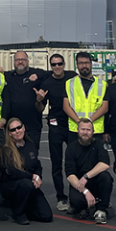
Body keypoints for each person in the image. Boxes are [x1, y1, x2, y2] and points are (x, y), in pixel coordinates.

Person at [36, 54, 77, 211]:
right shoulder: (47, 83)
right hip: (55, 124)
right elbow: (40, 109)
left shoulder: (72, 77)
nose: (57, 67)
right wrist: (39, 100)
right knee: (56, 163)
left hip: (72, 122)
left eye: (59, 63)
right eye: (54, 64)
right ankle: (61, 197)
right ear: (50, 66)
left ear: (64, 64)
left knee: (75, 161)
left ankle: (76, 195)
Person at [0, 118, 53, 225]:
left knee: (46, 216)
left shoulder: (30, 145)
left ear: (23, 127)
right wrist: (32, 177)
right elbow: (13, 172)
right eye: (13, 130)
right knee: (26, 184)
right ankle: (18, 214)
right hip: (11, 185)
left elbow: (37, 165)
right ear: (9, 134)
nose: (17, 131)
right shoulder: (7, 150)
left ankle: (24, 206)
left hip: (30, 183)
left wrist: (38, 176)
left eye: (19, 127)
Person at [65, 118, 114, 224]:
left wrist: (86, 176)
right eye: (83, 129)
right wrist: (85, 191)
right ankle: (83, 206)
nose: (85, 132)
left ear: (93, 132)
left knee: (106, 177)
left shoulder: (99, 144)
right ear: (77, 130)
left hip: (94, 181)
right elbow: (70, 175)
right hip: (79, 185)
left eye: (88, 130)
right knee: (77, 202)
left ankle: (101, 209)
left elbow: (104, 164)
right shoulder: (71, 148)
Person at [2, 51, 47, 153]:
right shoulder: (8, 76)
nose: (20, 62)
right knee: (13, 156)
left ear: (27, 61)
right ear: (14, 62)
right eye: (18, 60)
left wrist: (37, 76)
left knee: (32, 155)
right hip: (13, 128)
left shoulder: (36, 75)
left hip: (32, 127)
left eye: (23, 59)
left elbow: (51, 74)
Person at [63, 52, 108, 143]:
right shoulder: (69, 83)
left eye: (86, 63)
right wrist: (80, 123)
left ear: (91, 64)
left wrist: (89, 122)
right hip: (75, 130)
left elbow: (105, 107)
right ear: (77, 65)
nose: (84, 65)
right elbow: (66, 106)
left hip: (96, 130)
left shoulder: (102, 84)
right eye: (81, 63)